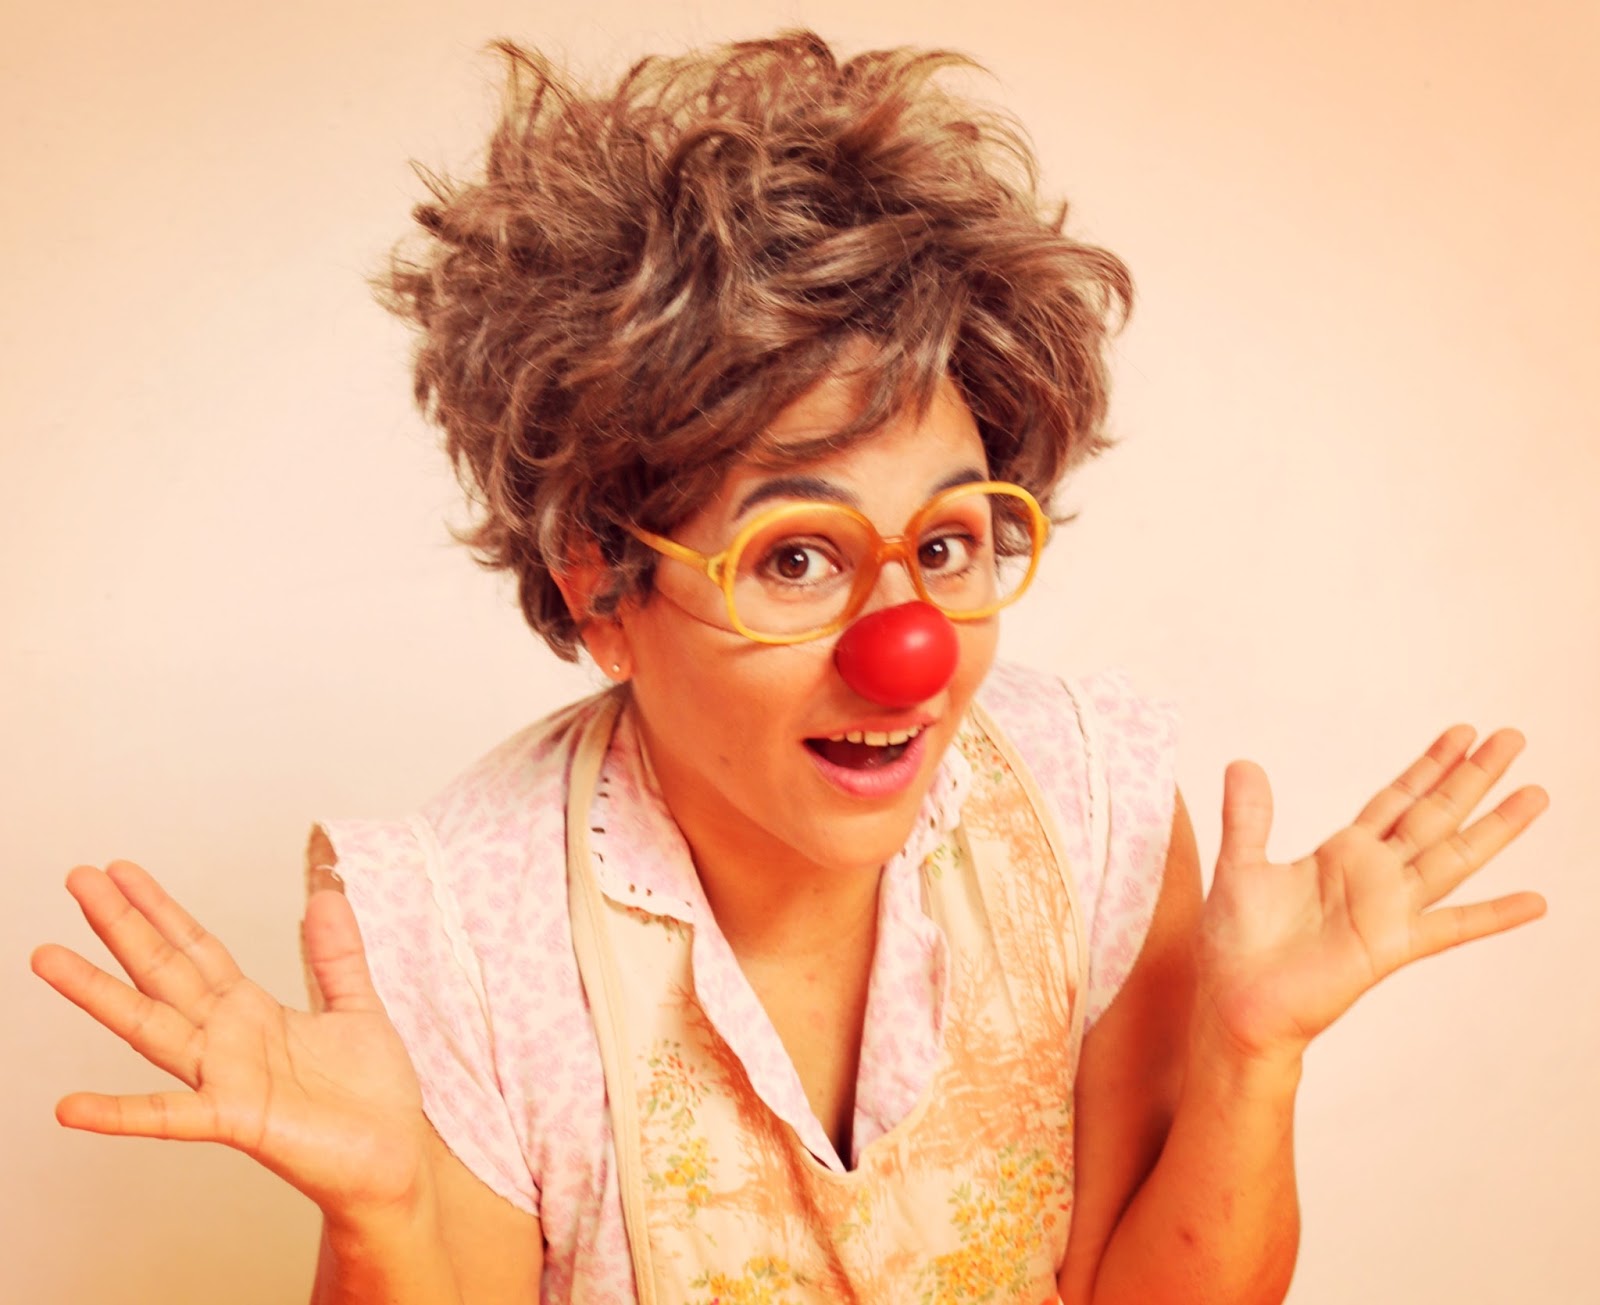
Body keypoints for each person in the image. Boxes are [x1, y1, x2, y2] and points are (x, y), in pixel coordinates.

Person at [30, 30, 1548, 1305]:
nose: (909, 653)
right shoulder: (458, 932)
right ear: (603, 586)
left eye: (946, 542)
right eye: (797, 559)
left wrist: (1247, 1058)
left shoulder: (1091, 803)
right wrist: (383, 1227)